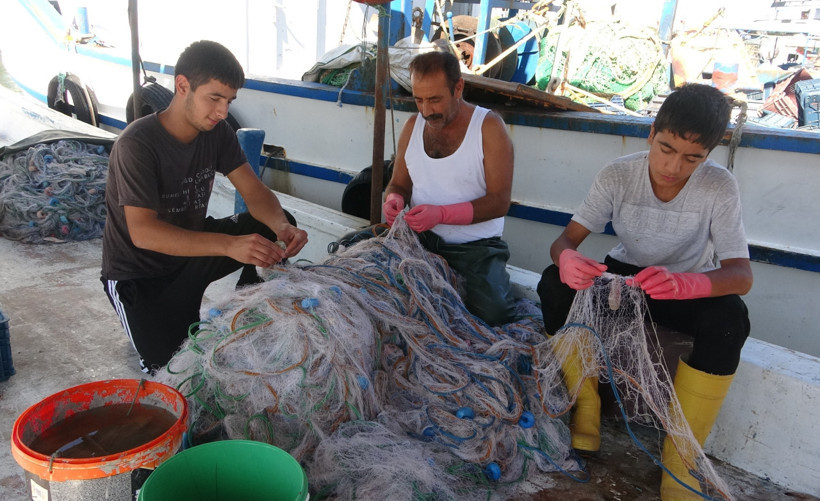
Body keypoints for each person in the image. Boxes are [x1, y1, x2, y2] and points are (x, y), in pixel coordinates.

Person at [536, 83, 753, 500]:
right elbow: (565, 242)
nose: (674, 167)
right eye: (667, 148)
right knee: (552, 282)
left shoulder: (719, 186)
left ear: (709, 153)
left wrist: (689, 284)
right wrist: (567, 260)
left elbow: (740, 275)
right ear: (652, 132)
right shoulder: (618, 174)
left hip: (683, 286)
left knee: (730, 319)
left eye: (694, 158)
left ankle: (681, 457)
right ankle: (587, 406)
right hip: (626, 280)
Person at [101, 40, 308, 374]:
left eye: (229, 101)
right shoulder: (136, 144)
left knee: (273, 226)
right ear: (182, 86)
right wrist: (229, 245)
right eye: (214, 98)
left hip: (191, 253)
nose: (223, 112)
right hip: (140, 276)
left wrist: (283, 227)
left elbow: (255, 193)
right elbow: (143, 232)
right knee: (175, 373)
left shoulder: (218, 132)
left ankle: (250, 312)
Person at [382, 50, 515, 326]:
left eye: (434, 99)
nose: (426, 111)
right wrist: (393, 199)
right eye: (419, 100)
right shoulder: (412, 126)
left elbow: (499, 202)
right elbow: (399, 184)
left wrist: (441, 214)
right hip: (420, 241)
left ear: (458, 88)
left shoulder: (489, 127)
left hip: (476, 249)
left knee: (494, 315)